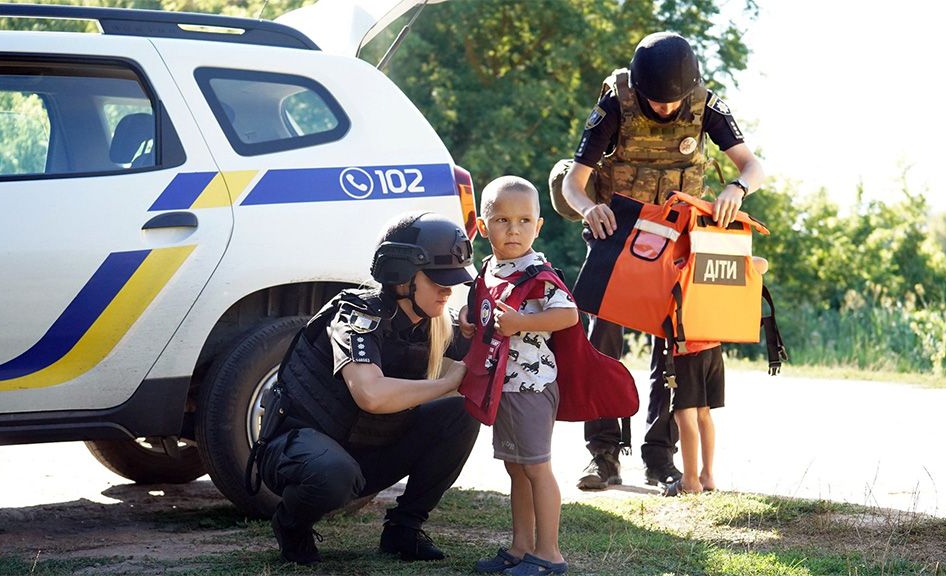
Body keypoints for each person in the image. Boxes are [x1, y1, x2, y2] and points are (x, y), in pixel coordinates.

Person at [560, 31, 765, 493]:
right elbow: (575, 182)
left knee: (676, 345)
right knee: (602, 340)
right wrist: (589, 208)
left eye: (674, 101)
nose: (667, 108)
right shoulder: (616, 103)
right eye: (656, 100)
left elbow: (753, 166)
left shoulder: (706, 105)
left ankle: (660, 457)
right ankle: (603, 454)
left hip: (679, 237)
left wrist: (736, 189)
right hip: (620, 233)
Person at [251, 212, 480, 564]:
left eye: (453, 280)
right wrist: (446, 383)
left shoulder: (431, 324)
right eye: (438, 279)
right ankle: (291, 526)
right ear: (402, 276)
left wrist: (475, 329)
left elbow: (485, 351)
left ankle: (404, 530)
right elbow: (370, 395)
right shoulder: (355, 316)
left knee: (461, 415)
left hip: (363, 452)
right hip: (300, 452)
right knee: (333, 473)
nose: (448, 289)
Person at [462, 176, 578, 575]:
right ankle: (521, 546)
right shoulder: (491, 269)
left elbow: (568, 314)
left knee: (536, 467)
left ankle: (549, 554)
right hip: (503, 386)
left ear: (538, 226)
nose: (514, 230)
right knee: (516, 467)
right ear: (483, 226)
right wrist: (469, 320)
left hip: (532, 386)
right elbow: (486, 310)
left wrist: (521, 324)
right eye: (503, 220)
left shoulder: (536, 272)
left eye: (524, 221)